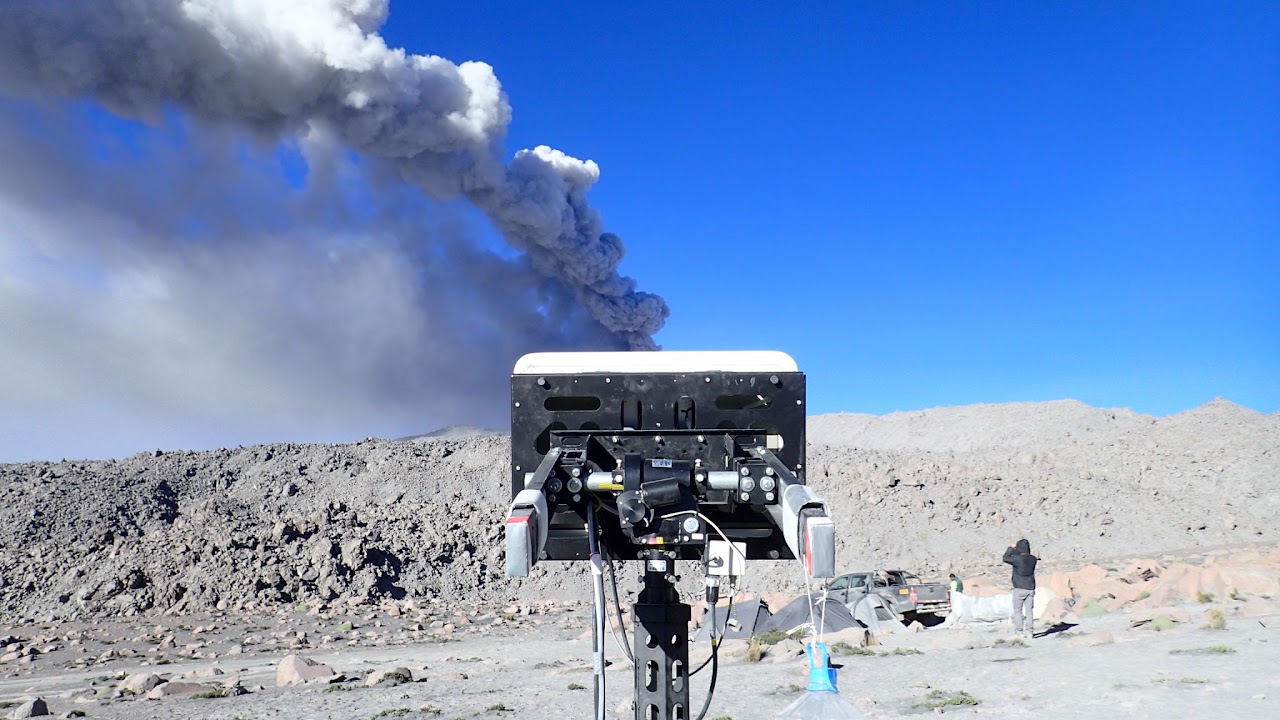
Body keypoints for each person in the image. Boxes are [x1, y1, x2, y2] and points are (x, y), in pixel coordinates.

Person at [1003, 539, 1038, 638]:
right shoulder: (1033, 559)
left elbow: (1006, 558)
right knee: (1029, 611)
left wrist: (1011, 548)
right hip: (1030, 587)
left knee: (1018, 611)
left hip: (1019, 587)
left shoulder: (1017, 559)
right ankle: (1030, 632)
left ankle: (1019, 632)